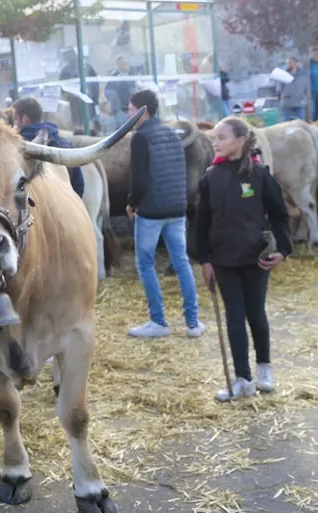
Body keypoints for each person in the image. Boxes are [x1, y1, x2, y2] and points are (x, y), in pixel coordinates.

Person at [196, 117, 292, 401]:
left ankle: (265, 368)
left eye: (222, 137)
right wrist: (205, 261)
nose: (216, 142)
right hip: (224, 261)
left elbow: (280, 215)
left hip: (255, 260)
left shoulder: (261, 175)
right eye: (214, 138)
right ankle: (242, 379)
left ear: (240, 141)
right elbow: (201, 224)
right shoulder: (210, 178)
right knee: (234, 318)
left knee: (257, 316)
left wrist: (283, 250)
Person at [125, 89, 205, 338]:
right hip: (176, 209)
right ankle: (193, 324)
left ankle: (158, 321)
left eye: (130, 109)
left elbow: (139, 179)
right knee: (182, 263)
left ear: (141, 111)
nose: (127, 114)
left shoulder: (140, 138)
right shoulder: (172, 133)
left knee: (145, 264)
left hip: (151, 212)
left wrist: (131, 204)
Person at [12, 96, 85, 198]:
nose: (14, 126)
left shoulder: (18, 149)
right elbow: (79, 184)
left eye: (15, 120)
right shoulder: (66, 144)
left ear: (25, 120)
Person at [276, 56, 310, 122]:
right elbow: (279, 89)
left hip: (299, 102)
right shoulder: (283, 74)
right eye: (287, 63)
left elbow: (307, 89)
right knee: (285, 125)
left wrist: (306, 100)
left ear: (296, 63)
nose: (288, 65)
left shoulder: (303, 74)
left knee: (300, 124)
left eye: (290, 63)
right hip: (286, 103)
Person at [310, 47, 318, 122]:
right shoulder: (309, 64)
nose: (316, 55)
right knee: (313, 111)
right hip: (312, 92)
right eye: (314, 54)